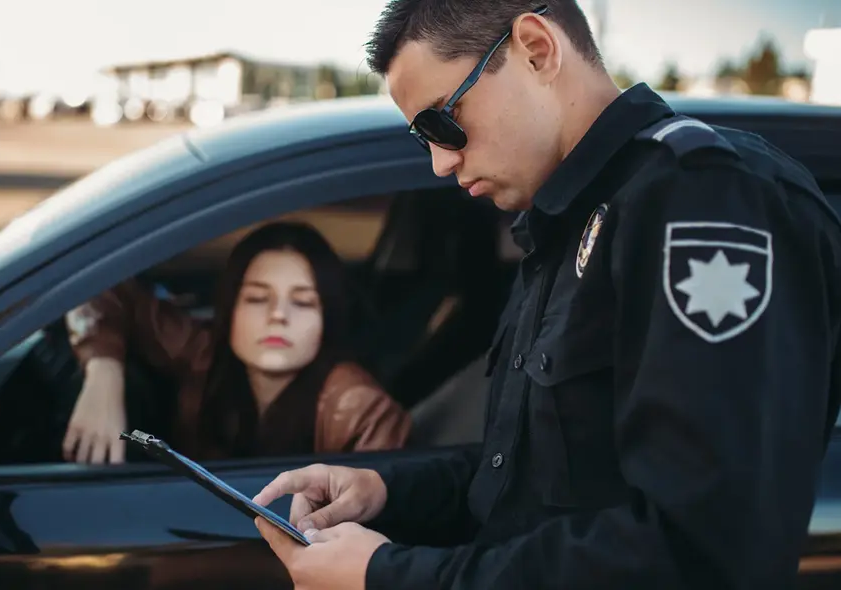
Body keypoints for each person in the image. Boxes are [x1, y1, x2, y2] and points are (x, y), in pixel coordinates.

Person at [250, 1, 841, 589]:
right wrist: (384, 492)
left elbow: (697, 552)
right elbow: (530, 485)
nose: (439, 161)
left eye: (443, 121)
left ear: (536, 48)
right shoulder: (562, 224)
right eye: (422, 137)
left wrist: (388, 577)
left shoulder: (702, 202)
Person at [63, 221, 411, 464]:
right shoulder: (204, 352)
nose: (278, 315)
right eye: (258, 299)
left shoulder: (361, 410)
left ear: (326, 319)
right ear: (230, 310)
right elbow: (91, 283)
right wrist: (104, 372)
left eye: (303, 302)